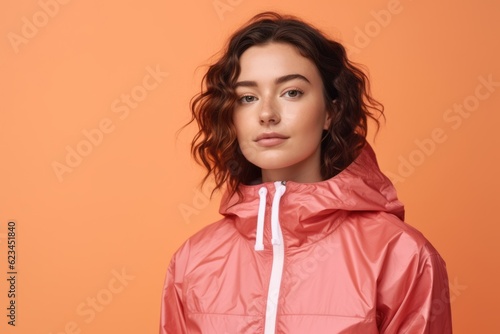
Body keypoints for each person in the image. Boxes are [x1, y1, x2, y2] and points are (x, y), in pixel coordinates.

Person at [160, 11, 452, 334]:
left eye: (291, 92)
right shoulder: (192, 262)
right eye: (247, 97)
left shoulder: (400, 256)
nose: (267, 113)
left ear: (331, 111)